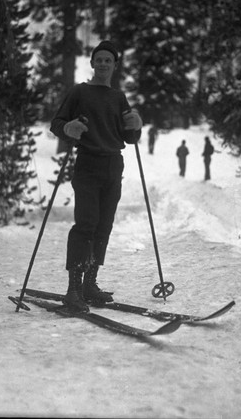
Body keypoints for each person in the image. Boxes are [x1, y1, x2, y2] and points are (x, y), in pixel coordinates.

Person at [50, 40, 142, 312]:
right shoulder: (80, 92)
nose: (103, 64)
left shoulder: (118, 97)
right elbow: (56, 123)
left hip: (114, 165)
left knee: (104, 226)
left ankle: (90, 284)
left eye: (108, 60)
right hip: (88, 164)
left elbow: (128, 136)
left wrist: (135, 125)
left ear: (115, 65)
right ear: (92, 63)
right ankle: (73, 290)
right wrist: (70, 127)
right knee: (86, 224)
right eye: (98, 59)